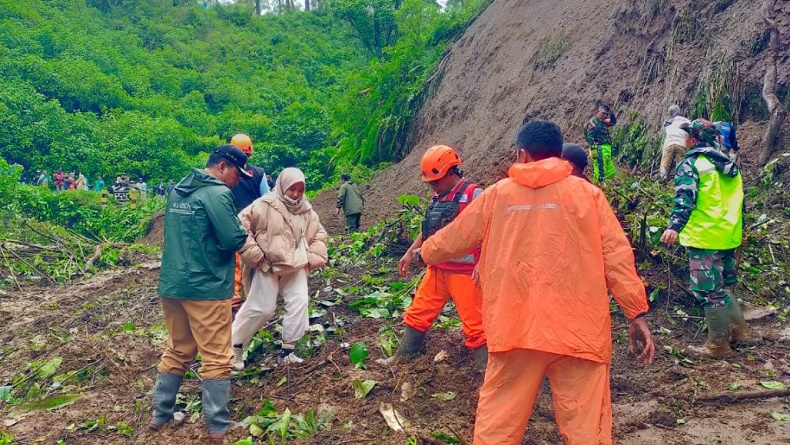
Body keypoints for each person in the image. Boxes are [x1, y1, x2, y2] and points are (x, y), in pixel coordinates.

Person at [419, 121, 655, 445]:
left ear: (522, 154)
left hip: (513, 330)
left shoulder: (497, 196)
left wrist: (424, 252)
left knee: (497, 428)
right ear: (560, 155)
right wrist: (636, 311)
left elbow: (454, 239)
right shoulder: (589, 196)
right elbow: (617, 256)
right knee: (587, 430)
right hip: (579, 332)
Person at [151, 144, 252, 442]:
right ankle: (218, 426)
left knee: (178, 349)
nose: (239, 180)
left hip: (172, 284)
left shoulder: (179, 190)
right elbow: (233, 237)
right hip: (205, 286)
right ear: (223, 166)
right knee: (217, 355)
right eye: (237, 173)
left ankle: (160, 414)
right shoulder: (218, 193)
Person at [376, 145, 488, 370]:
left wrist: (484, 264)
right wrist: (410, 251)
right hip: (437, 269)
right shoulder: (437, 197)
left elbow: (490, 232)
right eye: (429, 183)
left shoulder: (475, 195)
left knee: (476, 324)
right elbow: (429, 230)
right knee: (418, 312)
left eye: (435, 182)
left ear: (451, 172)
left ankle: (486, 368)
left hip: (465, 273)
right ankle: (406, 353)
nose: (432, 187)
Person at [660, 119, 758, 358]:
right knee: (723, 286)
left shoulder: (692, 163)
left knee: (708, 291)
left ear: (694, 140)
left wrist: (674, 227)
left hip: (704, 237)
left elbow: (685, 198)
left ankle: (718, 346)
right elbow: (739, 201)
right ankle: (740, 331)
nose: (685, 140)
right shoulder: (730, 166)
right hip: (728, 235)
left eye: (687, 136)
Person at [231, 167, 328, 369]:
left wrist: (311, 256)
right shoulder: (264, 204)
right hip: (267, 265)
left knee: (299, 302)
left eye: (300, 190)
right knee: (262, 307)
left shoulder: (307, 211)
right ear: (283, 186)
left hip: (296, 265)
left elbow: (319, 234)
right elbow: (240, 226)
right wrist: (255, 255)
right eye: (292, 189)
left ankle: (288, 351)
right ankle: (234, 348)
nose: (295, 194)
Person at [228, 133, 271, 313]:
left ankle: (236, 299)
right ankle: (254, 298)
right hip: (254, 225)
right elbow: (267, 199)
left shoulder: (224, 173)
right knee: (253, 262)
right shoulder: (259, 173)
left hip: (230, 223)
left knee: (235, 263)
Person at [584, 103, 618, 182]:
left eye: (606, 114)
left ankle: (607, 188)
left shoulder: (604, 122)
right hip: (599, 148)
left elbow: (613, 122)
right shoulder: (593, 122)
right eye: (603, 113)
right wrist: (593, 152)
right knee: (600, 173)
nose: (605, 116)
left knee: (610, 173)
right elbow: (590, 138)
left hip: (606, 149)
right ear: (598, 112)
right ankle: (599, 188)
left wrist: (612, 114)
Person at [660, 105, 691, 179]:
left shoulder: (667, 122)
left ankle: (662, 180)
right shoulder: (686, 121)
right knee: (681, 165)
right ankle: (680, 180)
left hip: (668, 144)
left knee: (664, 165)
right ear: (679, 111)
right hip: (681, 144)